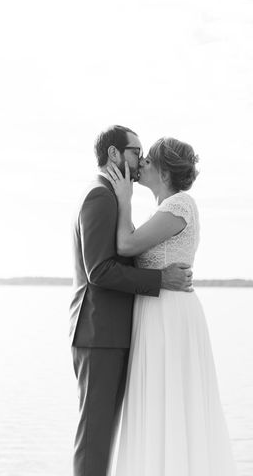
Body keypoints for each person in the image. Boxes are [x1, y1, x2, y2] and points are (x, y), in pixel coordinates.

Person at [103, 137, 237, 476]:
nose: (142, 163)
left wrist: (123, 200)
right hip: (154, 313)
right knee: (157, 405)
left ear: (164, 171)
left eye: (149, 159)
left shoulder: (180, 205)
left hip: (171, 316)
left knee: (175, 403)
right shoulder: (163, 210)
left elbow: (126, 244)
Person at [69, 125, 194, 476]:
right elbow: (100, 271)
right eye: (136, 151)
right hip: (100, 334)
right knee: (95, 439)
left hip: (113, 334)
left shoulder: (112, 197)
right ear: (114, 154)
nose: (140, 160)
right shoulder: (101, 196)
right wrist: (161, 278)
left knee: (104, 436)